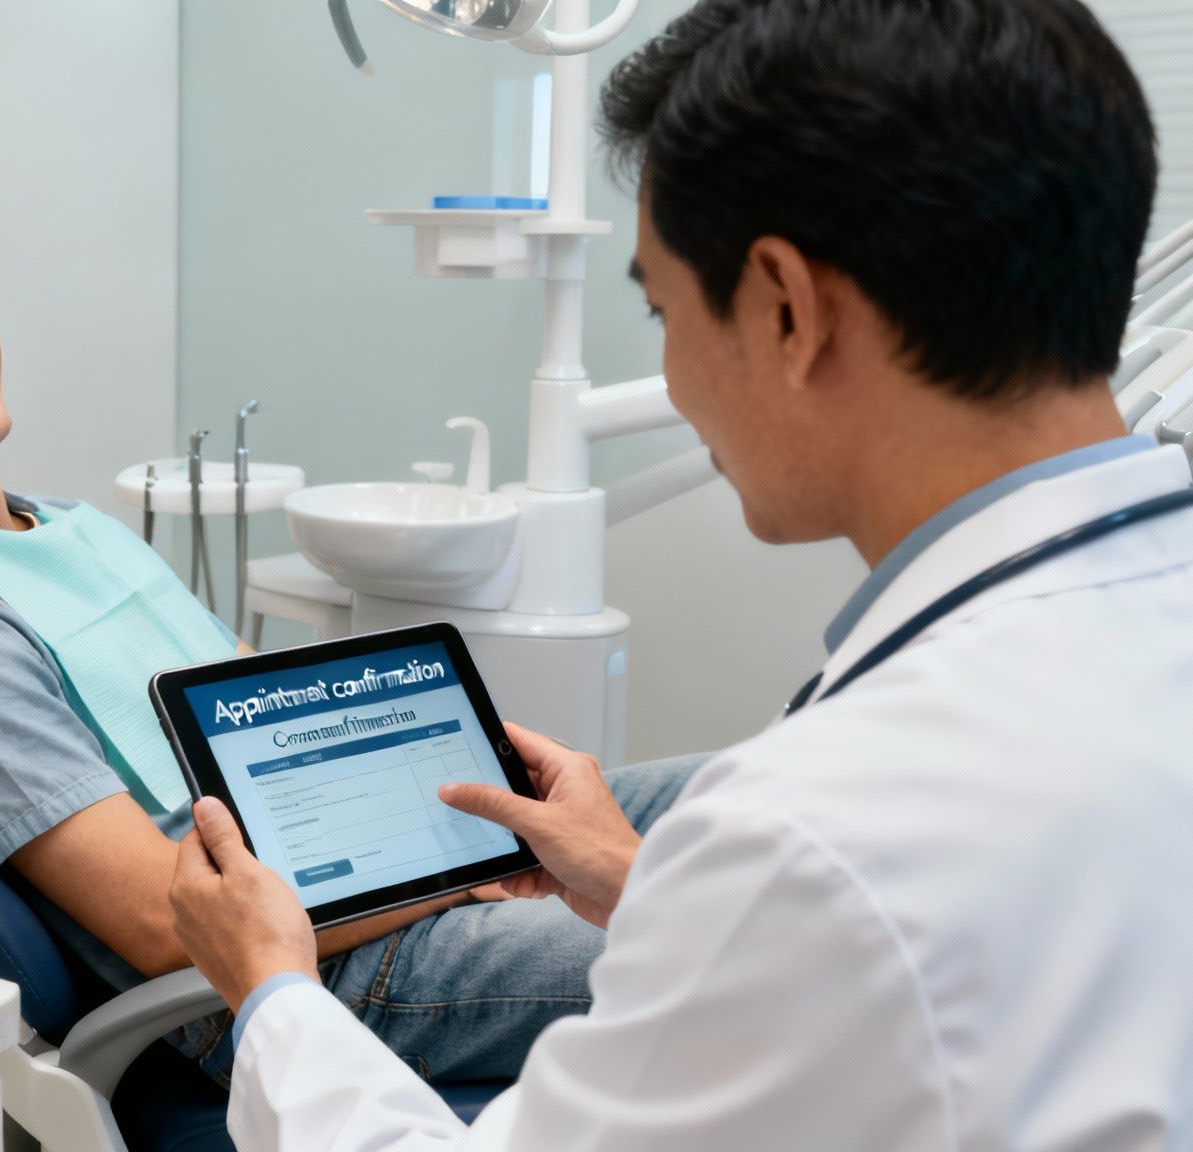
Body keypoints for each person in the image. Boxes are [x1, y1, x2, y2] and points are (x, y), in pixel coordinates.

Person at [167, 0, 1193, 1146]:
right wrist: (635, 881)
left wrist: (269, 992)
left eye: (658, 308)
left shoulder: (816, 831)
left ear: (785, 308)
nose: (668, 368)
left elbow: (847, 929)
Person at [0, 171, 703, 1085]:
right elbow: (160, 923)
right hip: (307, 965)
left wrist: (453, 816)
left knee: (735, 797)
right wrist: (460, 874)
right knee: (731, 944)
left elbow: (254, 700)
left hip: (366, 864)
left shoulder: (64, 524)